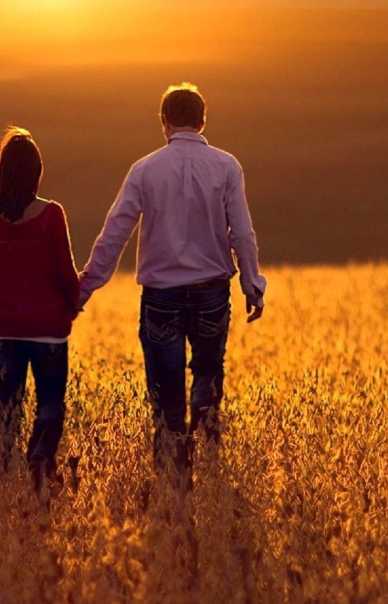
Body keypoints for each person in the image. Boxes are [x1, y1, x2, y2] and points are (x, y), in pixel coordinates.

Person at [78, 83, 266, 481]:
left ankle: (172, 478)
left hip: (161, 295)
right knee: (209, 373)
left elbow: (116, 232)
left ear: (163, 123)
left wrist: (85, 287)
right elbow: (243, 234)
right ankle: (211, 465)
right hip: (212, 291)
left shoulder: (144, 169)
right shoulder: (227, 166)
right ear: (202, 120)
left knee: (165, 398)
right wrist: (252, 283)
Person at [0, 127, 80, 493]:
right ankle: (40, 461)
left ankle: (1, 481)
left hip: (4, 333)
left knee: (7, 415)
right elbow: (65, 271)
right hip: (49, 331)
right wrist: (73, 303)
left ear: (2, 172)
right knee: (50, 405)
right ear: (37, 172)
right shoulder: (52, 215)